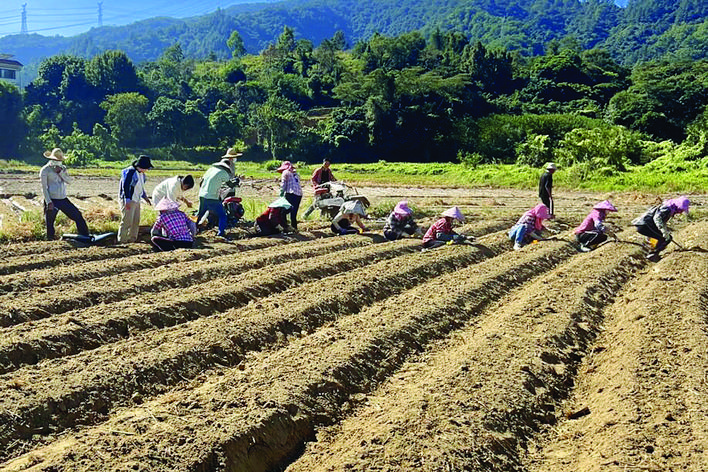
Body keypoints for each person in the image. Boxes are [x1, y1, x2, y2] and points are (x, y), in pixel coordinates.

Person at [39, 148, 90, 241]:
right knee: (49, 223)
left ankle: (85, 237)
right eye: (56, 160)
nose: (58, 162)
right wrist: (48, 202)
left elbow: (69, 181)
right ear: (52, 159)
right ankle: (50, 242)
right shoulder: (45, 170)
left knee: (78, 216)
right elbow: (44, 188)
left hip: (63, 199)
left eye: (60, 160)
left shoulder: (63, 169)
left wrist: (60, 173)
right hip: (52, 199)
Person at [118, 154, 153, 243]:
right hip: (129, 200)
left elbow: (140, 187)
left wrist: (145, 198)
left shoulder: (142, 174)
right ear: (141, 166)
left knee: (135, 221)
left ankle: (132, 239)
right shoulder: (131, 172)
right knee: (127, 221)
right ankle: (122, 240)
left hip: (137, 200)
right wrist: (127, 199)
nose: (147, 170)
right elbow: (125, 186)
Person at [196, 158, 232, 239]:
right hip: (212, 197)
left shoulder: (210, 169)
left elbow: (201, 182)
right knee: (222, 215)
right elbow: (230, 185)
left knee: (199, 214)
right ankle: (221, 233)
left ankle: (193, 230)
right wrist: (236, 182)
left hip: (202, 195)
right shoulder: (223, 172)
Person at [277, 160, 303, 231]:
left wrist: (281, 194)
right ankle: (294, 228)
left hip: (291, 193)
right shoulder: (296, 174)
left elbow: (283, 184)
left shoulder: (285, 172)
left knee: (283, 212)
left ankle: (285, 227)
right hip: (299, 194)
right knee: (293, 214)